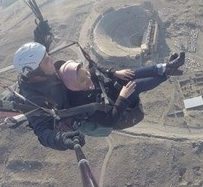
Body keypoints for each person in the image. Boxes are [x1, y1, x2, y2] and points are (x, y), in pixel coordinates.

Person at [57, 52, 185, 136]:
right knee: (135, 85)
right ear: (72, 85)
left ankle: (166, 67)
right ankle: (167, 73)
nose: (88, 79)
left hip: (110, 96)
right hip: (119, 112)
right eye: (82, 80)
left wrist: (114, 73)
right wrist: (122, 97)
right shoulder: (82, 106)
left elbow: (95, 68)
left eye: (86, 74)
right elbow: (110, 121)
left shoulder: (83, 77)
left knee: (128, 74)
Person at [13, 42, 86, 151]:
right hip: (74, 115)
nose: (51, 60)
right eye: (47, 60)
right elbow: (43, 131)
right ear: (35, 71)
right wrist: (61, 139)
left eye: (48, 56)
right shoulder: (34, 99)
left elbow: (38, 56)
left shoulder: (45, 74)